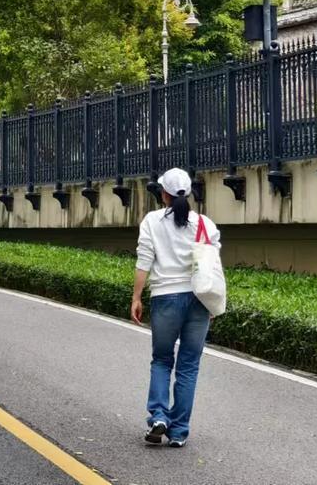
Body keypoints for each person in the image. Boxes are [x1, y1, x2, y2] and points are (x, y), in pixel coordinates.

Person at [130, 167, 217, 448]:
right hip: (199, 299)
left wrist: (136, 297)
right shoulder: (205, 224)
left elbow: (144, 260)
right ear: (188, 192)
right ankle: (179, 431)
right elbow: (211, 266)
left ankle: (158, 416)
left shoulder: (152, 221)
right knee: (189, 366)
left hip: (166, 297)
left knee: (162, 360)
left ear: (163, 193)